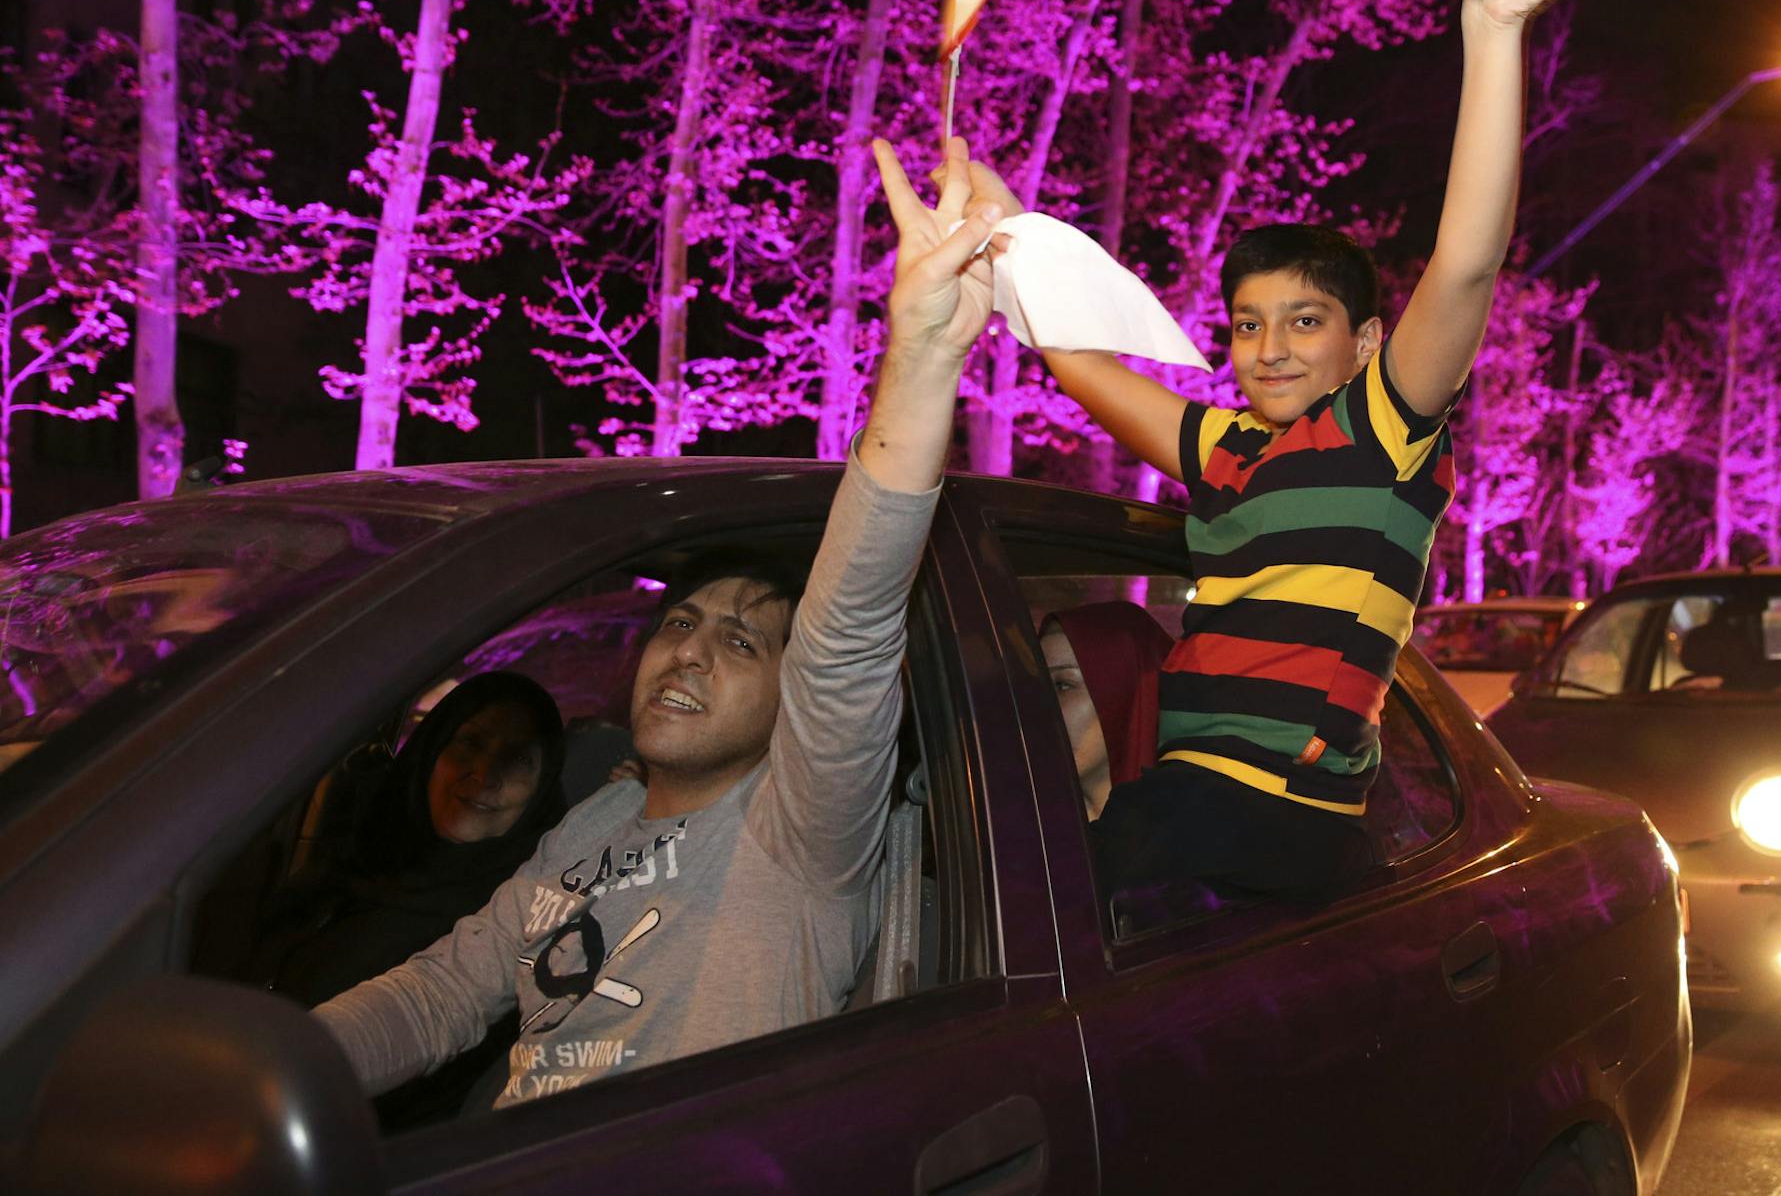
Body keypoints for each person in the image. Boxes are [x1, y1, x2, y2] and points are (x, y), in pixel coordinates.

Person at [971, 0, 1620, 901]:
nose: (1268, 347)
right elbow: (1076, 360)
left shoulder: (1380, 432)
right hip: (1182, 794)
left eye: (1305, 321)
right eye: (1247, 324)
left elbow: (1466, 265)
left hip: (1267, 813)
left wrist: (1492, 27)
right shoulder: (1227, 446)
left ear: (1365, 343)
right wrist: (1004, 242)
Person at [314, 134, 1008, 1110]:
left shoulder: (803, 825)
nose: (689, 651)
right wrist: (263, 1066)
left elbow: (849, 630)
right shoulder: (594, 821)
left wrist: (923, 357)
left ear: (791, 698)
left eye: (740, 640)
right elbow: (440, 994)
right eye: (680, 622)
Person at [254, 672, 566, 1127]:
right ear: (431, 749)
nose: (484, 776)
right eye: (470, 743)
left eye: (517, 760)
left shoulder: (508, 934)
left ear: (540, 790)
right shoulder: (362, 858)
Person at [1040, 603, 1173, 819]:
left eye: (1063, 685)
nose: (1037, 705)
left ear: (1128, 697)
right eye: (1035, 685)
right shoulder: (1013, 825)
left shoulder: (1191, 832)